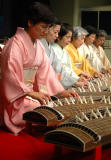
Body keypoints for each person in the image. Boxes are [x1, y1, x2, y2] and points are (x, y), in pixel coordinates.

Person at [0, 2, 78, 134]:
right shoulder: (15, 45)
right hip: (16, 98)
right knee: (44, 110)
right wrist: (30, 93)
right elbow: (10, 77)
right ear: (30, 23)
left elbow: (46, 72)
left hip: (30, 93)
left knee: (52, 106)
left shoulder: (38, 45)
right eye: (43, 27)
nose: (46, 31)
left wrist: (61, 92)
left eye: (48, 28)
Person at [40, 21, 88, 89]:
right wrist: (74, 81)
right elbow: (56, 70)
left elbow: (63, 69)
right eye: (55, 32)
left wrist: (76, 79)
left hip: (59, 83)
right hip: (47, 84)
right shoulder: (52, 49)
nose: (69, 40)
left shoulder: (63, 51)